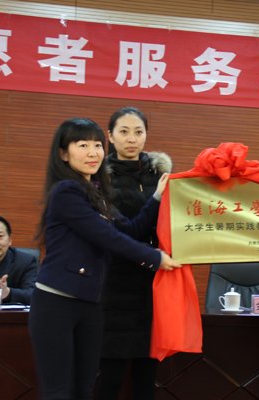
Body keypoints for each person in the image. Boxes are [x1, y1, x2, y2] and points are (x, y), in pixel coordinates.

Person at [28, 117, 181, 400]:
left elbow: (130, 230)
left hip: (91, 303)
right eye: (82, 145)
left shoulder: (97, 193)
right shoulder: (66, 192)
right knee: (58, 391)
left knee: (83, 388)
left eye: (97, 145)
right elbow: (108, 238)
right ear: (64, 154)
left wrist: (157, 198)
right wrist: (155, 258)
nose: (93, 153)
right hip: (56, 302)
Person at [95, 107, 172, 400]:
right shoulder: (99, 179)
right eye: (124, 132)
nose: (132, 139)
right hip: (115, 281)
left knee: (147, 374)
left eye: (139, 132)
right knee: (110, 375)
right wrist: (156, 198)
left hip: (153, 281)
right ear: (110, 136)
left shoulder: (161, 175)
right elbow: (127, 233)